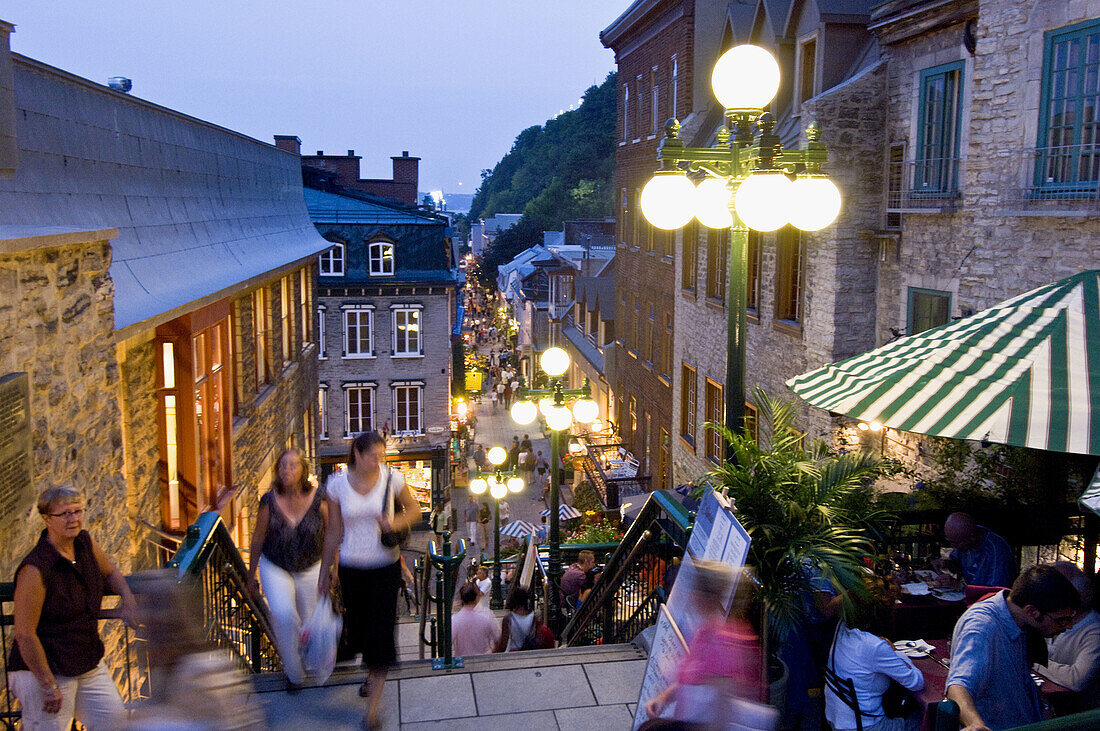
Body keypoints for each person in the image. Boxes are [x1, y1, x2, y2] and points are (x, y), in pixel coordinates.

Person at [8, 485, 137, 730]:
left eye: (78, 511)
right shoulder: (35, 569)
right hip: (46, 669)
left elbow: (110, 572)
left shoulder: (84, 543)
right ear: (47, 519)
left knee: (116, 724)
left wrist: (128, 599)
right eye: (65, 514)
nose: (74, 519)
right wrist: (47, 684)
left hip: (85, 660)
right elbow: (25, 634)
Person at [319, 431, 420, 729]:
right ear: (357, 455)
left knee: (381, 636)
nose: (379, 461)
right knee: (360, 634)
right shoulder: (336, 485)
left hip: (385, 568)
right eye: (373, 456)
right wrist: (328, 571)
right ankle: (369, 676)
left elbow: (414, 510)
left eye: (382, 455)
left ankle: (371, 712)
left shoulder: (393, 479)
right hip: (351, 569)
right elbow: (334, 532)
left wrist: (395, 522)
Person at [946, 564, 1080, 731]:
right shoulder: (982, 626)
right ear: (1032, 611)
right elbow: (958, 686)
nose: (1068, 627)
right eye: (1062, 620)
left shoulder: (1020, 619)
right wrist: (975, 724)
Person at [642, 562, 772, 729]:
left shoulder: (722, 643)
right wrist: (664, 698)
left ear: (704, 597)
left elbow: (722, 710)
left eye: (695, 591)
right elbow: (694, 677)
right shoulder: (708, 631)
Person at [247, 448, 327, 688]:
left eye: (292, 465)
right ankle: (294, 673)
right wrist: (251, 576)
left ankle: (310, 658)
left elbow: (333, 532)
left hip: (311, 565)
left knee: (310, 621)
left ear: (303, 469)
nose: (287, 469)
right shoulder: (269, 501)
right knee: (284, 616)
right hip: (276, 565)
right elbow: (258, 538)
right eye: (282, 465)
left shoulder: (318, 497)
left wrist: (332, 568)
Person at [825, 584, 925, 731]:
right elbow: (917, 682)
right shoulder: (874, 646)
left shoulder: (843, 627)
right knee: (923, 719)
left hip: (837, 719)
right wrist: (897, 652)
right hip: (865, 726)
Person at [1035, 561, 1100, 708]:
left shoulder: (1095, 631)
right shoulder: (1050, 618)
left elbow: (1077, 680)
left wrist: (1036, 661)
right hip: (1051, 703)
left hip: (1080, 715)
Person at [942, 512, 1016, 587]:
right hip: (970, 594)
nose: (953, 546)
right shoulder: (964, 539)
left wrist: (960, 585)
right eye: (950, 541)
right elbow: (956, 564)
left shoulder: (997, 550)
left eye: (956, 543)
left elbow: (996, 591)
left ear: (972, 537)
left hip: (990, 597)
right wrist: (945, 564)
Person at [451, 583, 500, 656]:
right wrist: (491, 654)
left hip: (462, 661)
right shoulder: (487, 615)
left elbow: (447, 644)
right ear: (477, 597)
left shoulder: (455, 619)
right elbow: (498, 640)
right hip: (483, 659)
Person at [493, 587, 545, 651]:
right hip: (530, 651)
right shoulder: (534, 617)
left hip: (514, 652)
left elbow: (504, 643)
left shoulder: (508, 618)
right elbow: (539, 638)